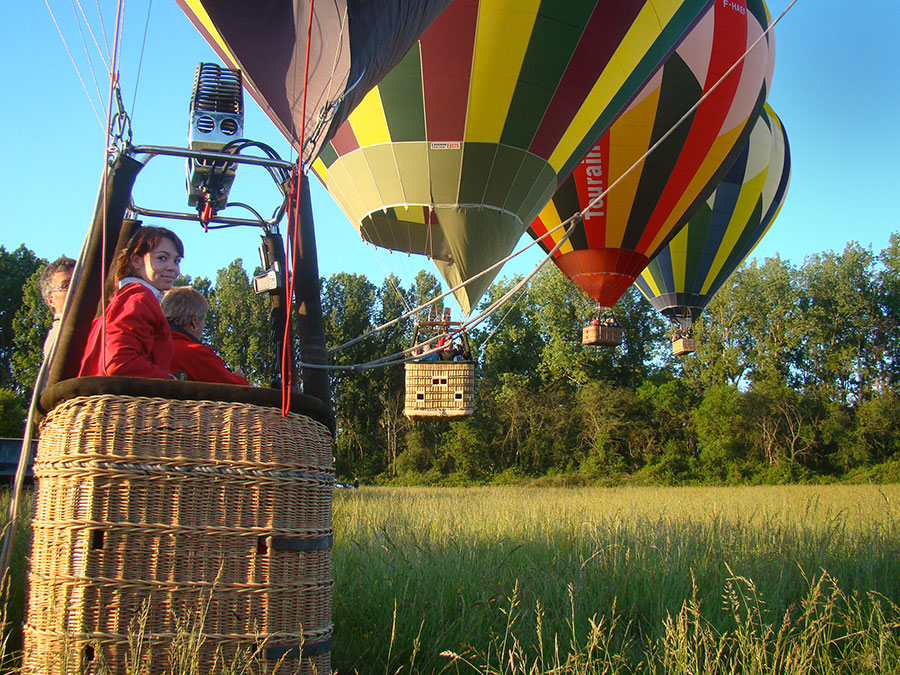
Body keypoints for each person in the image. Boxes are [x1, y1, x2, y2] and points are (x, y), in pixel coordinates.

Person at [79, 226, 183, 379]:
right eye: (162, 258)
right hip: (120, 399)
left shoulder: (124, 297)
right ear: (136, 261)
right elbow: (119, 363)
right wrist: (169, 382)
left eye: (176, 261)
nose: (172, 268)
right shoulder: (139, 298)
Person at [160, 286, 249, 385]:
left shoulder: (150, 347)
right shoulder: (194, 353)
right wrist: (238, 378)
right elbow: (239, 390)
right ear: (194, 321)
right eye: (204, 319)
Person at [39, 256, 76, 358]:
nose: (75, 288)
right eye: (65, 286)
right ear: (50, 300)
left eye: (78, 282)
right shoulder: (59, 337)